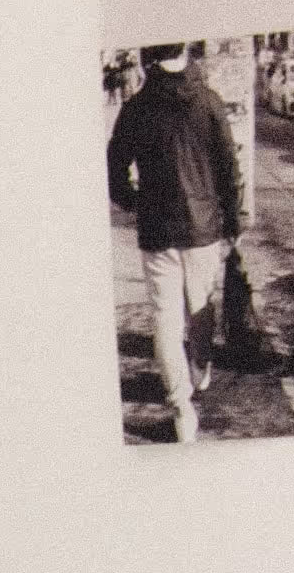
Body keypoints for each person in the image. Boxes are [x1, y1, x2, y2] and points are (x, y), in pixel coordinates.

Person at [104, 43, 243, 441]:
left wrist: (134, 202)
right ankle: (200, 370)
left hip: (157, 230)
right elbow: (227, 169)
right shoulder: (209, 102)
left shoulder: (135, 107)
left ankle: (181, 409)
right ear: (185, 53)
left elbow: (113, 167)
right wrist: (231, 221)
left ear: (149, 59)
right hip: (203, 230)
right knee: (199, 304)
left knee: (165, 317)